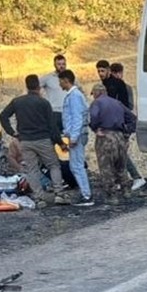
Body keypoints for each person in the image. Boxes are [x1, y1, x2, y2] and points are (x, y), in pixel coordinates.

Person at [0, 74, 67, 204]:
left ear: (27, 86)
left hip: (25, 141)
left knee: (32, 169)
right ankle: (59, 194)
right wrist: (60, 142)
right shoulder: (44, 103)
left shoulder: (17, 101)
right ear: (38, 86)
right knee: (53, 165)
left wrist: (13, 133)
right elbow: (52, 126)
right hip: (43, 139)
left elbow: (3, 116)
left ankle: (39, 198)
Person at [96, 60, 145, 191]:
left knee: (120, 153)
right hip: (110, 125)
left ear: (108, 70)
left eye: (103, 71)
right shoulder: (105, 85)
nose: (100, 73)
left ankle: (137, 177)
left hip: (119, 125)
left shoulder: (118, 84)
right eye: (98, 71)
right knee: (114, 154)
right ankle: (120, 181)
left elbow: (123, 106)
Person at [59, 69, 94, 206]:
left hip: (77, 135)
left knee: (77, 166)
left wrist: (73, 137)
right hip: (79, 133)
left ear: (66, 80)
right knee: (76, 165)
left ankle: (86, 195)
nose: (60, 84)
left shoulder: (74, 96)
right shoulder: (76, 95)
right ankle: (85, 193)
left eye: (61, 81)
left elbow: (77, 118)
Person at [88, 83, 129, 200]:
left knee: (106, 167)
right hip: (120, 137)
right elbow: (131, 118)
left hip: (105, 137)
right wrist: (126, 133)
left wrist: (95, 128)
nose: (93, 97)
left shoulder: (96, 103)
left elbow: (93, 117)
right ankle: (126, 190)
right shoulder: (117, 102)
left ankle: (112, 196)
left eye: (93, 94)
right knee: (121, 165)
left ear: (96, 93)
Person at [41, 54, 80, 138]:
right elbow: (35, 87)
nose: (61, 66)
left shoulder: (72, 78)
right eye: (59, 64)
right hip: (54, 112)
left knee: (69, 137)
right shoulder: (48, 78)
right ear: (54, 64)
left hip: (69, 112)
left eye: (63, 64)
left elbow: (80, 91)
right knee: (54, 137)